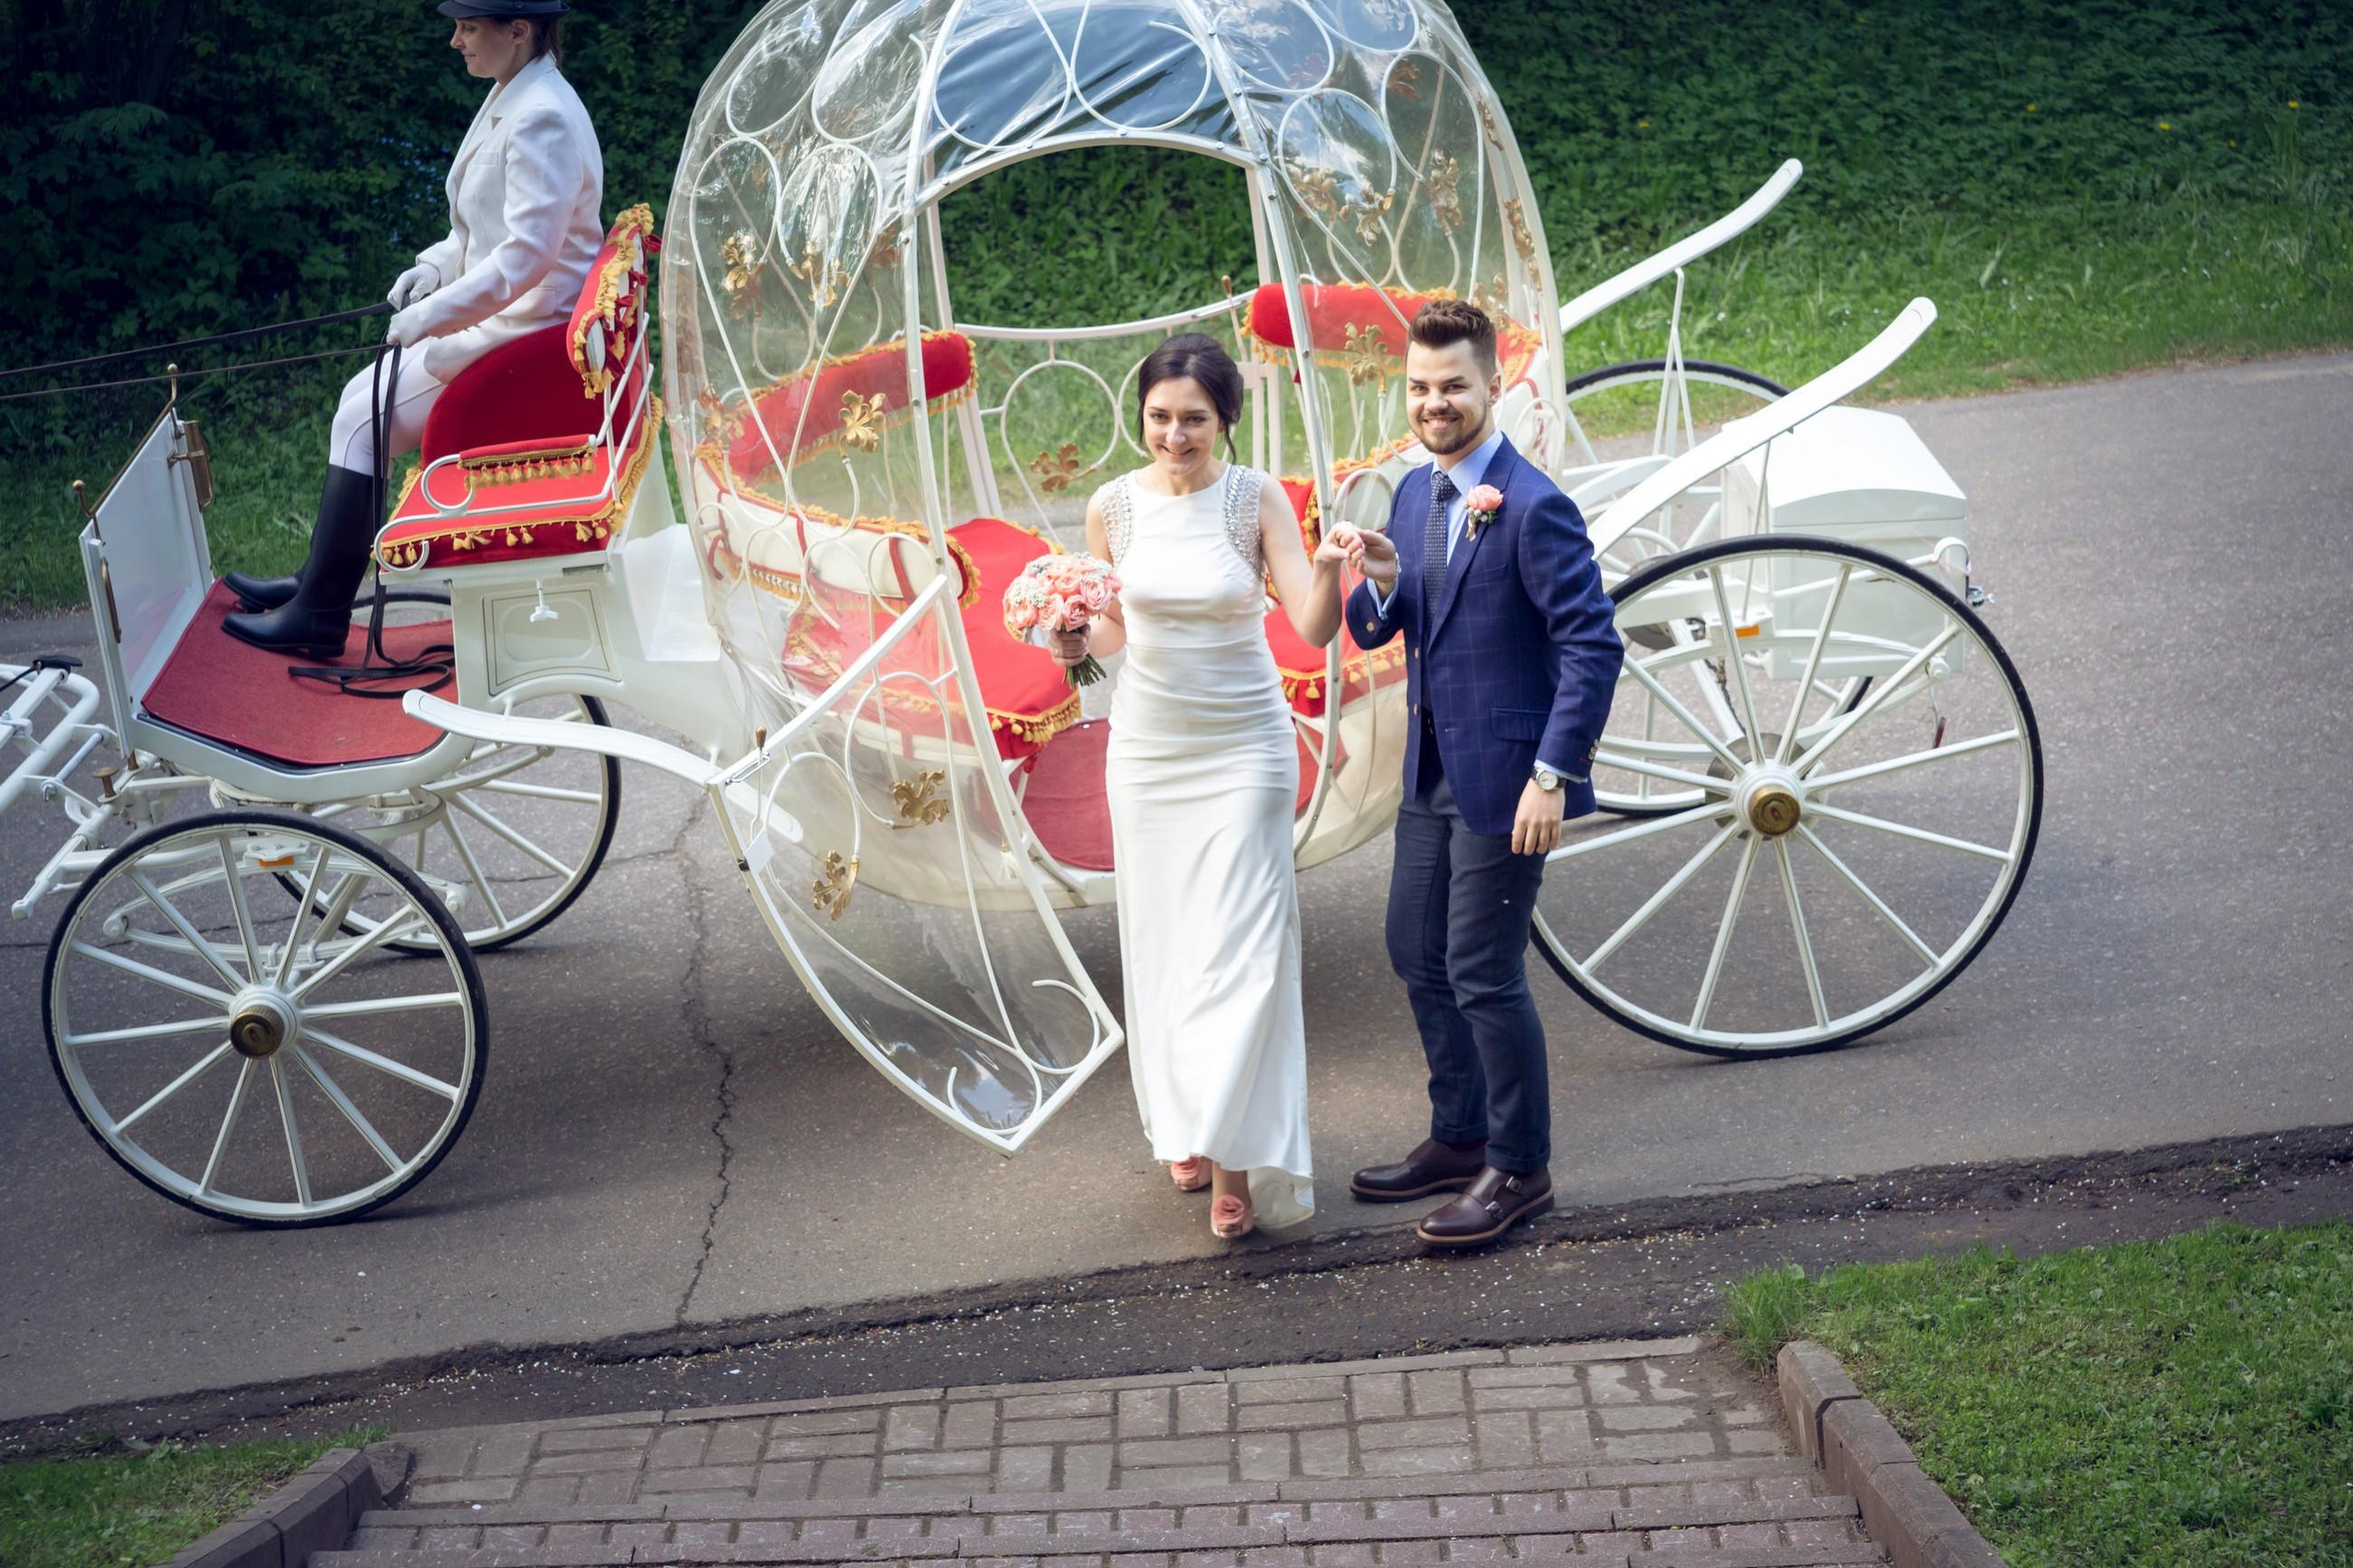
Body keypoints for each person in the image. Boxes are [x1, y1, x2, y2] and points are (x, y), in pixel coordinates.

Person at [1330, 300, 1623, 1248]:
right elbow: (1391, 624)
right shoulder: (1415, 493)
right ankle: (1458, 1135)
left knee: (1483, 973)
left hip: (1507, 777)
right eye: (1419, 387)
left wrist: (1552, 772)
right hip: (1430, 766)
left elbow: (1592, 645)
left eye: (1453, 385)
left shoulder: (1533, 505)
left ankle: (1520, 1164)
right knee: (1414, 949)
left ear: (1494, 385)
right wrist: (1379, 576)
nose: (1434, 402)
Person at [1051, 334, 1352, 1240]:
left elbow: (1307, 621)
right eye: (1159, 417)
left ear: (1225, 419)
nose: (1174, 434)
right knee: (1167, 943)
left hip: (1243, 751)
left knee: (1244, 949)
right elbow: (1109, 639)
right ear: (1138, 415)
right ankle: (1183, 1117)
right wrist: (1067, 641)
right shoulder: (1111, 508)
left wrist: (1332, 563)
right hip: (1148, 752)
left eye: (1194, 418)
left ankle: (1234, 1162)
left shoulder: (1252, 498)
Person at [224, 0, 604, 657]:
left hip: (522, 337)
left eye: (468, 27)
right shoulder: (514, 92)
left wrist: (429, 318)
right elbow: (476, 233)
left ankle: (318, 616)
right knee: (353, 403)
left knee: (357, 421)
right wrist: (430, 268)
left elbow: (525, 258)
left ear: (520, 30)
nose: (456, 40)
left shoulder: (542, 113)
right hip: (503, 319)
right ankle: (314, 583)